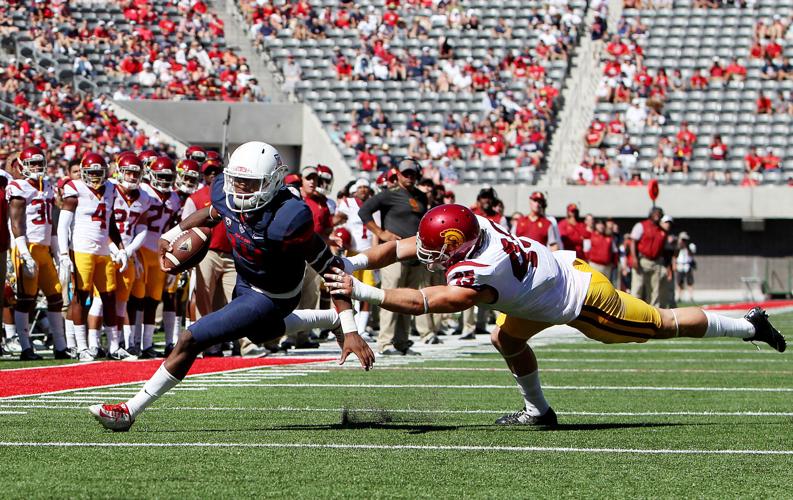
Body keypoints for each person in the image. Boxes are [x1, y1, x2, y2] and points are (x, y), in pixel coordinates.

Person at [325, 204, 786, 427]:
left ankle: (748, 325)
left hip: (580, 298)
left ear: (456, 246)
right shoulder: (473, 225)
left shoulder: (478, 269)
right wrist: (353, 262)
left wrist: (361, 291)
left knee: (662, 324)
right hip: (538, 289)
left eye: (436, 250)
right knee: (505, 340)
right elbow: (403, 246)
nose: (425, 254)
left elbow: (430, 302)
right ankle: (539, 411)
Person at [90, 142, 375, 432]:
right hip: (246, 279)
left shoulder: (288, 218)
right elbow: (212, 212)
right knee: (262, 333)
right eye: (236, 181)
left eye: (250, 183)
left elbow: (331, 268)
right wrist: (174, 232)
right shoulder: (229, 194)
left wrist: (351, 328)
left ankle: (129, 410)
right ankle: (329, 319)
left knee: (191, 338)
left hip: (273, 295)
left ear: (273, 182)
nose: (240, 190)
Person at [58, 153, 128, 362]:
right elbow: (63, 225)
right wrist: (63, 253)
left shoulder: (110, 188)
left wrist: (120, 248)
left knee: (109, 297)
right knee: (81, 296)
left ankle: (114, 346)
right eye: (92, 172)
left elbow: (111, 223)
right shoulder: (74, 188)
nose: (96, 177)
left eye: (99, 172)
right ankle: (81, 347)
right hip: (81, 249)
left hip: (103, 251)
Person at [358, 157, 430, 354]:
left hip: (416, 254)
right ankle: (385, 342)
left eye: (412, 173)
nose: (409, 176)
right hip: (394, 254)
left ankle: (402, 341)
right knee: (390, 296)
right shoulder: (388, 195)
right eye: (405, 173)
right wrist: (381, 233)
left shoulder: (422, 196)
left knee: (409, 298)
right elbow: (364, 212)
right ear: (397, 174)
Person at [7, 147, 68, 360]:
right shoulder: (18, 187)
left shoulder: (48, 186)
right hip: (27, 247)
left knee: (55, 296)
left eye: (38, 163)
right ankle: (26, 348)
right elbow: (15, 223)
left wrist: (59, 253)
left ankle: (60, 346)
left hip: (43, 248)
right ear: (22, 166)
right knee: (26, 299)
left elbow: (50, 222)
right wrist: (24, 252)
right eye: (31, 163)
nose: (36, 167)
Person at [629, 207, 667, 307]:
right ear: (650, 214)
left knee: (655, 289)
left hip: (656, 262)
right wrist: (634, 258)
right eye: (655, 213)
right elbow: (633, 241)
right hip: (643, 260)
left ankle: (654, 311)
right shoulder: (641, 225)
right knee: (638, 286)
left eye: (659, 214)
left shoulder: (661, 230)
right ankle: (634, 309)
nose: (657, 215)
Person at [675, 231, 696, 304]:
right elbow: (675, 256)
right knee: (679, 282)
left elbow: (691, 255)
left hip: (687, 265)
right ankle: (679, 296)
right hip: (680, 265)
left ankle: (691, 297)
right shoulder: (677, 247)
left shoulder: (689, 247)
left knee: (690, 282)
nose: (684, 241)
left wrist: (686, 247)